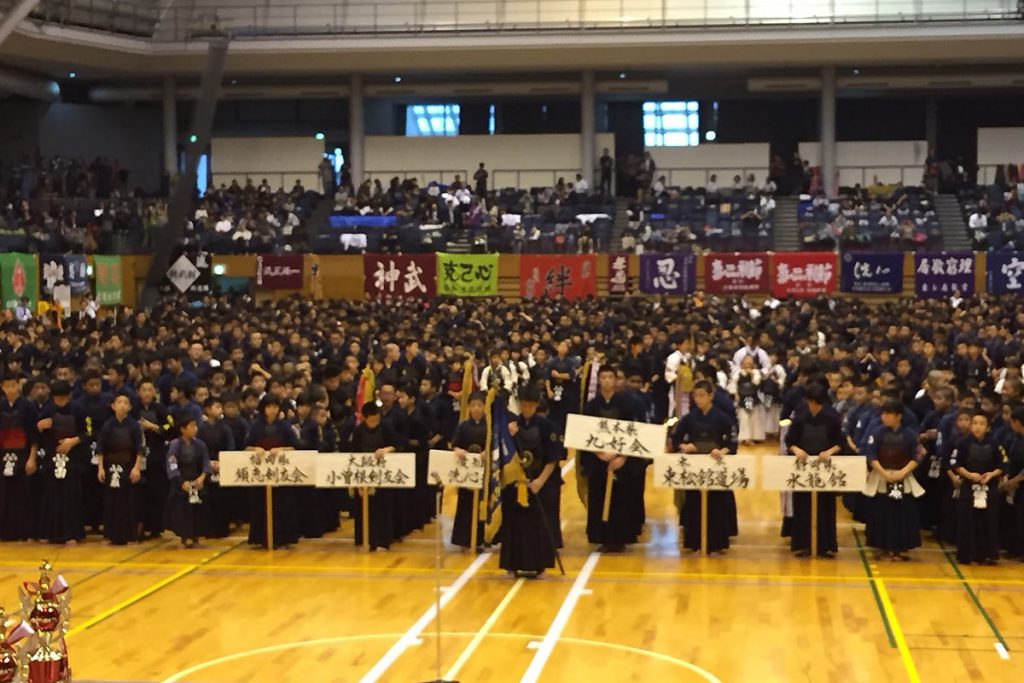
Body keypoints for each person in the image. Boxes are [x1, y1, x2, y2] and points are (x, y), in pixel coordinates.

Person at [670, 380, 739, 554]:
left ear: (711, 396)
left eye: (702, 395)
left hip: (715, 465)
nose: (698, 399)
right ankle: (694, 541)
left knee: (716, 503)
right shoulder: (689, 417)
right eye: (696, 396)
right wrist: (684, 447)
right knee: (693, 502)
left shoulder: (721, 417)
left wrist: (722, 451)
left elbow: (732, 441)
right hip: (695, 466)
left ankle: (717, 542)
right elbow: (676, 438)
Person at [581, 365, 643, 552]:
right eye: (604, 377)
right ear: (599, 380)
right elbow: (585, 434)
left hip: (621, 462)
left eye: (610, 377)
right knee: (598, 498)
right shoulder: (591, 406)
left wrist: (622, 457)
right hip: (599, 461)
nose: (607, 381)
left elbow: (635, 432)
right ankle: (602, 537)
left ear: (615, 380)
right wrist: (599, 454)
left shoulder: (627, 404)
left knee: (622, 500)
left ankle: (620, 538)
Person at [501, 384, 560, 577]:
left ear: (536, 405)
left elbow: (553, 459)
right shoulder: (512, 426)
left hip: (540, 480)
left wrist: (539, 482)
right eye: (523, 405)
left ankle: (540, 564)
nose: (527, 409)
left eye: (531, 406)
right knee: (515, 522)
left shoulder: (547, 426)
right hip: (518, 481)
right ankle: (512, 564)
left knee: (540, 523)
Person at [785, 383, 844, 558]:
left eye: (815, 403)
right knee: (803, 506)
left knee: (825, 507)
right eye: (810, 403)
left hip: (824, 468)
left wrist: (829, 452)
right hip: (804, 468)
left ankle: (824, 546)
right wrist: (797, 450)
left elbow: (840, 443)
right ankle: (804, 544)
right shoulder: (800, 418)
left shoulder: (831, 417)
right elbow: (790, 441)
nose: (812, 407)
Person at [863, 399, 923, 561]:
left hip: (903, 476)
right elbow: (871, 455)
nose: (884, 417)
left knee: (902, 513)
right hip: (882, 476)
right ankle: (882, 547)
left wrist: (902, 472)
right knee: (881, 512)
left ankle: (900, 548)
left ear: (899, 416)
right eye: (883, 413)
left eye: (888, 414)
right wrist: (884, 473)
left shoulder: (909, 434)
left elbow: (916, 456)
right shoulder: (877, 433)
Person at [950, 411, 1006, 565]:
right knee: (967, 521)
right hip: (969, 487)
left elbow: (1003, 465)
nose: (977, 427)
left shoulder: (995, 443)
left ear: (987, 427)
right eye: (975, 423)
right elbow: (955, 463)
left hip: (989, 488)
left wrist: (991, 475)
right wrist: (969, 475)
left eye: (981, 424)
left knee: (989, 521)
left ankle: (988, 554)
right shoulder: (963, 443)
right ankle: (967, 554)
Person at [244, 397, 300, 549]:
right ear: (263, 409)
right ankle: (261, 538)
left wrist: (281, 450)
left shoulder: (284, 426)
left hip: (280, 474)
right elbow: (245, 447)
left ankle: (282, 538)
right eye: (269, 407)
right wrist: (255, 449)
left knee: (282, 505)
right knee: (260, 506)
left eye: (275, 407)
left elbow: (295, 447)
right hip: (260, 474)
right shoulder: (255, 426)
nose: (272, 410)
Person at [36, 380, 84, 545]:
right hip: (52, 458)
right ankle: (50, 532)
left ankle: (72, 533)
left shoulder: (78, 410)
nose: (60, 403)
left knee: (71, 495)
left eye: (63, 399)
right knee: (51, 495)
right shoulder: (47, 411)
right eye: (57, 399)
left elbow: (89, 432)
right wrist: (39, 427)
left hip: (72, 458)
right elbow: (36, 435)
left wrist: (72, 442)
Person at [348, 401, 399, 551]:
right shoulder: (358, 431)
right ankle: (364, 540)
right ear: (364, 418)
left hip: (383, 474)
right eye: (371, 420)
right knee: (363, 509)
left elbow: (398, 444)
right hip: (364, 474)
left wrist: (387, 449)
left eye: (377, 419)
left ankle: (382, 542)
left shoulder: (386, 427)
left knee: (382, 508)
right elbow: (353, 455)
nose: (374, 423)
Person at [95, 394, 144, 545]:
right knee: (111, 501)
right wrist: (100, 468)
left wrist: (137, 468)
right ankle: (110, 535)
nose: (122, 405)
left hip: (128, 466)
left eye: (125, 402)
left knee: (129, 501)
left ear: (129, 407)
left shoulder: (134, 425)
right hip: (111, 467)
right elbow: (101, 448)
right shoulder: (108, 425)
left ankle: (130, 536)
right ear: (113, 406)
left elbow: (140, 449)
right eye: (119, 402)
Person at [0, 372, 38, 541]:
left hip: (23, 452)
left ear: (18, 386)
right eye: (7, 386)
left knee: (22, 493)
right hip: (3, 454)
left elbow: (33, 434)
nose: (10, 389)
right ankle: (5, 531)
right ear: (2, 387)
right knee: (5, 493)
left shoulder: (28, 406)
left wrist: (32, 458)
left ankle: (24, 531)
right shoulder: (1, 405)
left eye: (13, 385)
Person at [165, 414, 212, 548]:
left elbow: (205, 463)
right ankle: (185, 536)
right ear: (183, 429)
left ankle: (196, 535)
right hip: (182, 481)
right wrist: (181, 482)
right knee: (182, 510)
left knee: (198, 510)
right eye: (192, 426)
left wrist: (202, 478)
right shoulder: (175, 445)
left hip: (197, 479)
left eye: (195, 426)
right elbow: (172, 464)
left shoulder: (200, 444)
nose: (195, 428)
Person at [450, 391, 488, 550]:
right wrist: (458, 450)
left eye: (480, 405)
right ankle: (463, 539)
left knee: (482, 504)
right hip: (467, 473)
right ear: (469, 407)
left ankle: (481, 539)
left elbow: (496, 445)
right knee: (465, 504)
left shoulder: (490, 426)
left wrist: (488, 452)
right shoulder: (463, 426)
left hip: (485, 472)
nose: (477, 409)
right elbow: (454, 444)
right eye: (473, 405)